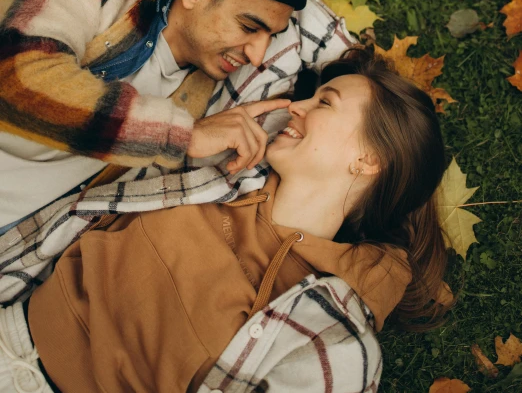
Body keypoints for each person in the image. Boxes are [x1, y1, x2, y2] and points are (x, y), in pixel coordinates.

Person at [0, 50, 451, 393]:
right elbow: (272, 16)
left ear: (368, 159)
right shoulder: (223, 168)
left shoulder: (331, 333)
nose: (296, 107)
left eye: (324, 103)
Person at [0, 0, 355, 235]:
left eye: (270, 36)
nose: (259, 55)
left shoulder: (208, 94)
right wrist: (183, 135)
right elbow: (15, 76)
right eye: (249, 27)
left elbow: (319, 39)